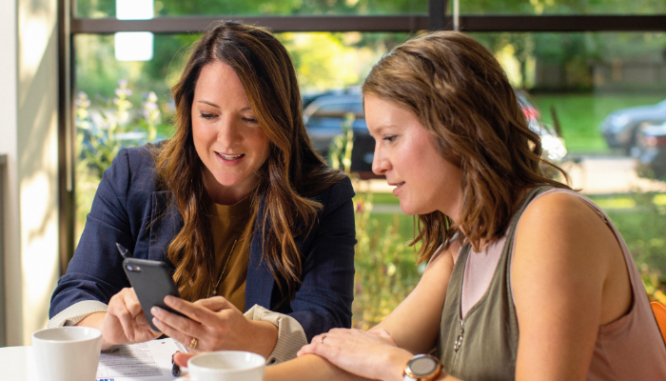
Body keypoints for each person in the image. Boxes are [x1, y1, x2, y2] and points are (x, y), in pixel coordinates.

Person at [176, 31, 666, 379]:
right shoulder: (462, 251)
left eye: (390, 138)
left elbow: (385, 361)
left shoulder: (553, 223)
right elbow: (357, 360)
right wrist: (225, 377)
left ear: (456, 127)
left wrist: (401, 369)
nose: (379, 163)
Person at [49, 21, 356, 364]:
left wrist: (252, 337)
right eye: (209, 114)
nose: (226, 139)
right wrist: (107, 326)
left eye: (251, 118)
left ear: (279, 120)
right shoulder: (133, 175)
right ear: (188, 110)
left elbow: (329, 322)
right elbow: (73, 295)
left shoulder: (326, 196)